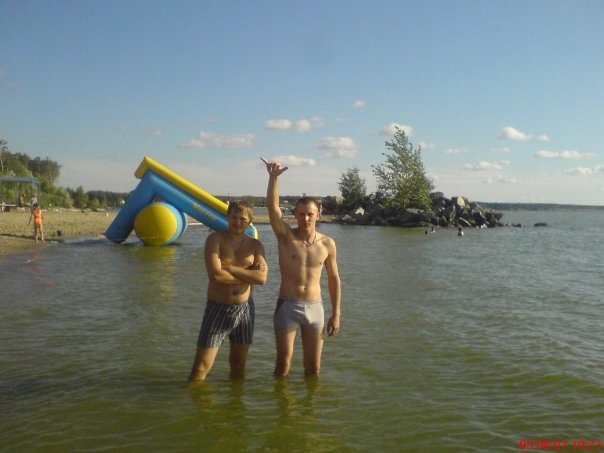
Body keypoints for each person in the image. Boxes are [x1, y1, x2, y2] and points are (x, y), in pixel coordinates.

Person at [262, 157, 341, 378]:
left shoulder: (327, 244)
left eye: (310, 214)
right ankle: (281, 400)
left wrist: (336, 313)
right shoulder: (286, 237)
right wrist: (273, 178)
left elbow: (334, 279)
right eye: (301, 214)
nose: (306, 218)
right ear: (295, 215)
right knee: (283, 366)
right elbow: (272, 208)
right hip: (288, 305)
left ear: (318, 214)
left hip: (315, 307)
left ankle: (310, 402)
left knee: (313, 368)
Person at [188, 201, 268, 382]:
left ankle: (236, 400)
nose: (238, 222)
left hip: (245, 309)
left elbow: (262, 278)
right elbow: (216, 276)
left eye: (243, 219)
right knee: (200, 367)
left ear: (249, 222)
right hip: (218, 308)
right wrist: (249, 275)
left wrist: (231, 269)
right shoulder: (215, 240)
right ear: (228, 217)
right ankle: (192, 398)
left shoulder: (255, 245)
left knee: (239, 365)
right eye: (234, 217)